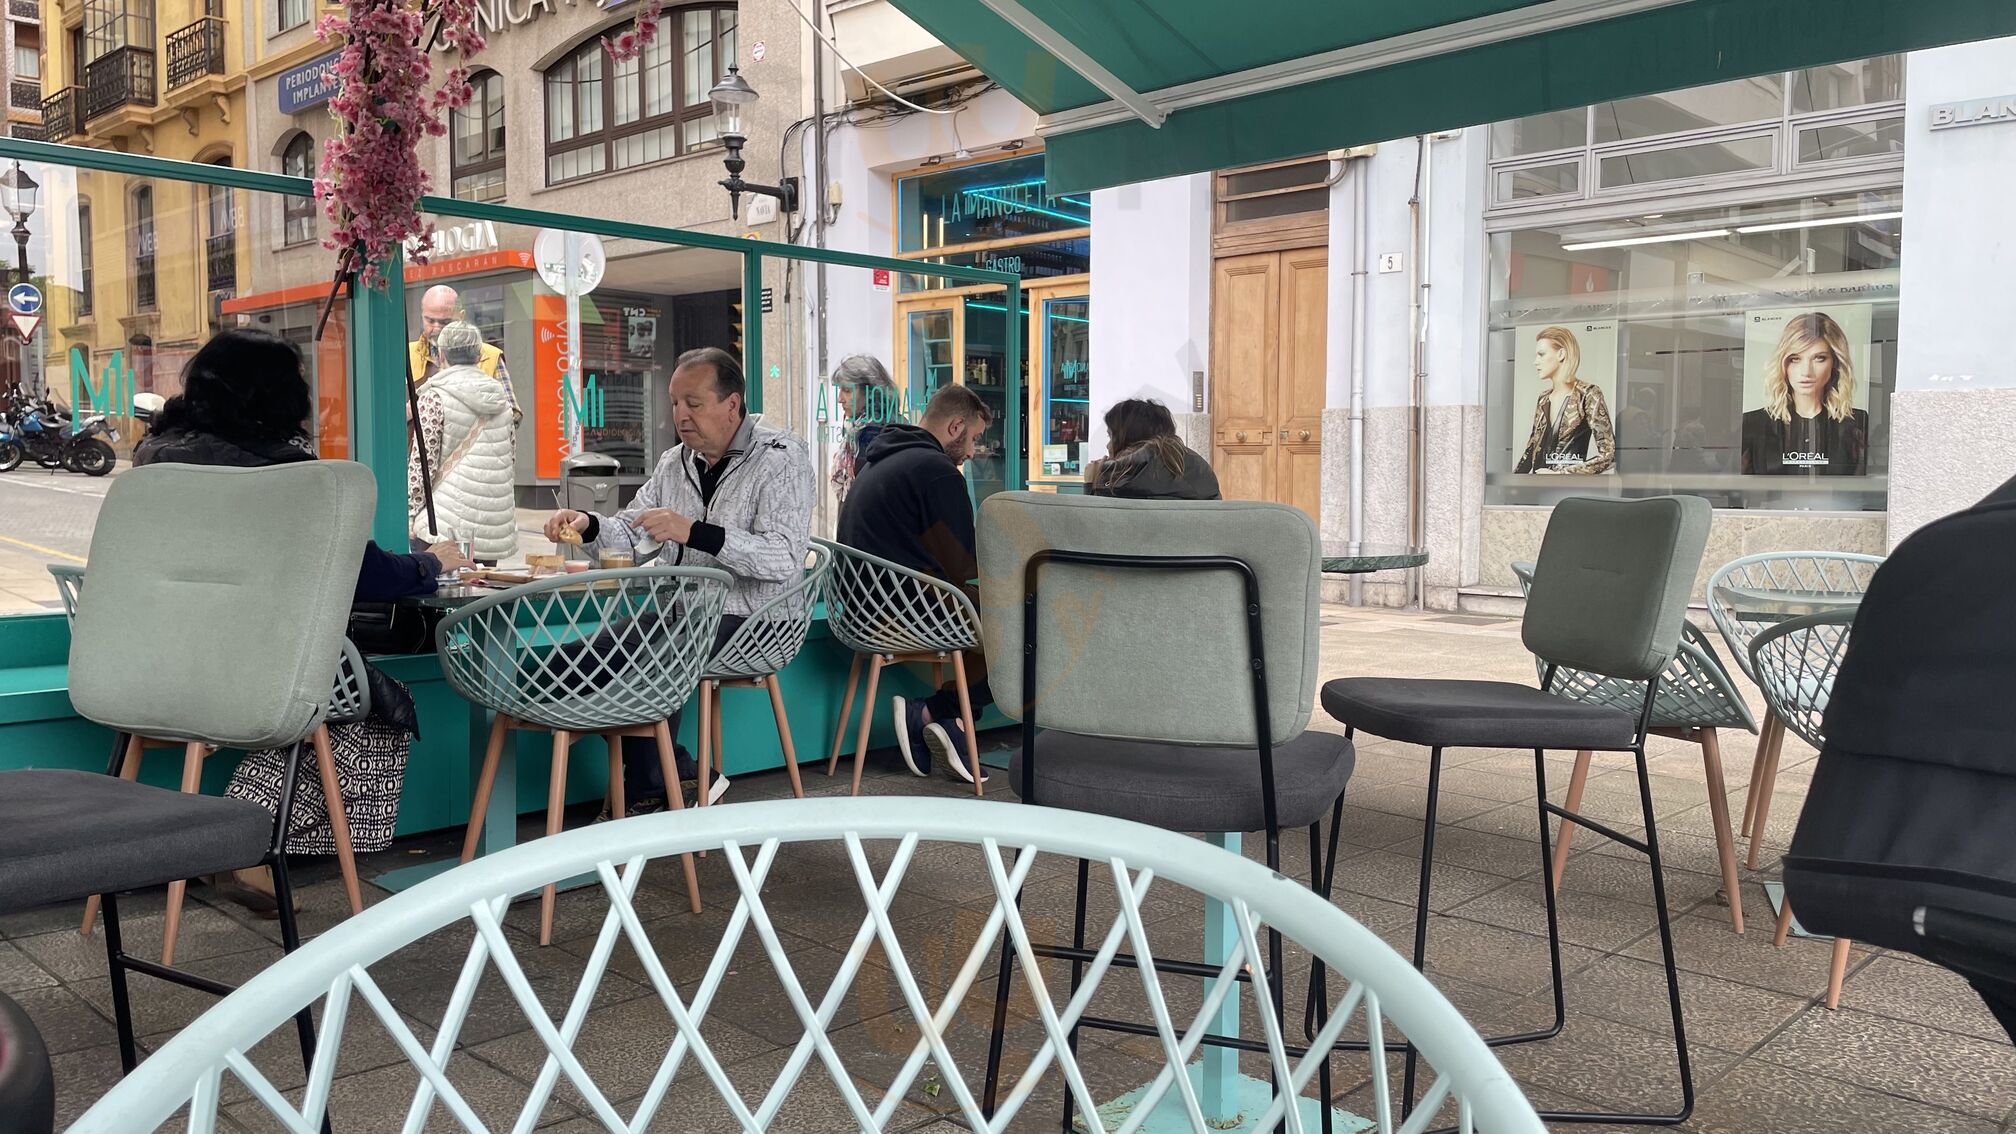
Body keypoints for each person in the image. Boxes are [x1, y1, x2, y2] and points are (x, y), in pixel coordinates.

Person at [133, 328, 458, 913]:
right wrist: (432, 563)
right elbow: (362, 573)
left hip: (151, 663)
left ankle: (240, 847)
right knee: (366, 706)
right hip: (244, 668)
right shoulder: (286, 473)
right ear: (278, 396)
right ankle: (240, 845)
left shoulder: (153, 459)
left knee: (322, 703)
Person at [544, 346, 814, 813]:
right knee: (570, 664)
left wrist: (695, 532)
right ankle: (680, 775)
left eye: (693, 403)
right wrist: (587, 524)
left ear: (732, 405)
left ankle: (652, 785)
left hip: (759, 620)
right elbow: (632, 534)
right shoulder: (675, 462)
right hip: (681, 615)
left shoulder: (781, 458)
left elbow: (783, 559)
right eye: (674, 403)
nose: (680, 415)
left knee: (649, 661)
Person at [836, 383, 994, 783]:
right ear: (955, 427)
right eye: (973, 438)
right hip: (902, 615)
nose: (972, 452)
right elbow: (962, 565)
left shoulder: (879, 460)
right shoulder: (936, 471)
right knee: (1030, 624)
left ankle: (948, 718)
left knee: (995, 613)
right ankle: (939, 714)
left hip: (857, 612)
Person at [409, 321, 517, 564]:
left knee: (441, 585)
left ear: (441, 355)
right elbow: (509, 458)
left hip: (443, 525)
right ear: (479, 356)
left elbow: (422, 464)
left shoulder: (434, 397)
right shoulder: (501, 401)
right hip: (491, 527)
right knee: (483, 585)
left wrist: (411, 514)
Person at [1740, 312, 1869, 476]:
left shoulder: (1855, 423)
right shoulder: (1753, 424)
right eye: (1795, 359)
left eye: (1819, 358)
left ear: (1835, 363)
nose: (1806, 371)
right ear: (1783, 364)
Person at [409, 285, 520, 426]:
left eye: (445, 322)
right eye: (430, 321)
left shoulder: (490, 356)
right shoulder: (406, 355)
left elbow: (513, 416)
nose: (436, 328)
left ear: (461, 317)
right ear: (422, 316)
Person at [1513, 326, 1615, 475]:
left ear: (1561, 354)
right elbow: (1531, 451)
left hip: (1567, 485)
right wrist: (1512, 482)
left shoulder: (1588, 394)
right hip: (1536, 484)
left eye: (1541, 354)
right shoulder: (1543, 399)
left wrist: (1562, 474)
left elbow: (1608, 455)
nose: (1535, 362)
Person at [1084, 398, 1221, 500]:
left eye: (1110, 436)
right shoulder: (1201, 472)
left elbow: (1094, 525)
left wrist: (1093, 483)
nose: (1108, 446)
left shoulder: (1120, 484)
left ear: (1127, 440)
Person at [829, 353, 897, 507]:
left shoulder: (876, 433)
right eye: (840, 390)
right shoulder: (857, 428)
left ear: (871, 393)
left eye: (847, 390)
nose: (840, 399)